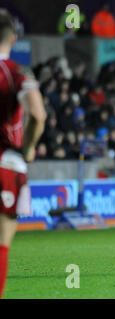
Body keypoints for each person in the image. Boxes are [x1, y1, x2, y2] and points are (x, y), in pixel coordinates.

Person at [0, 10, 47, 298]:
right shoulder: (16, 72)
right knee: (2, 243)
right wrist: (27, 148)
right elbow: (38, 116)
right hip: (7, 162)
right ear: (14, 38)